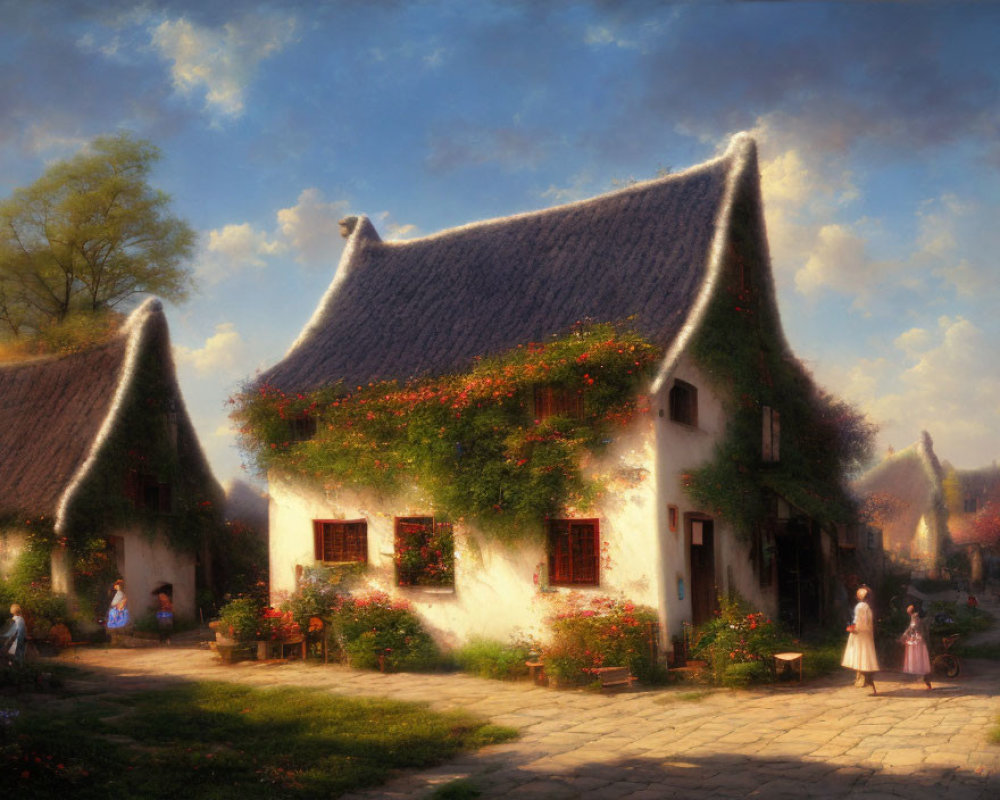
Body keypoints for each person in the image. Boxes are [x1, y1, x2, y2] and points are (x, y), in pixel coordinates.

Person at [842, 585, 879, 695]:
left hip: (860, 635)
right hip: (866, 635)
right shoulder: (867, 606)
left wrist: (853, 629)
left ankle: (866, 681)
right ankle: (863, 681)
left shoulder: (860, 606)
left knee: (861, 658)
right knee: (864, 658)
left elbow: (858, 621)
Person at [900, 604, 932, 689]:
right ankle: (922, 678)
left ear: (911, 611)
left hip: (918, 639)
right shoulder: (914, 616)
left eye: (909, 610)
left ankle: (923, 677)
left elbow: (913, 627)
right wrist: (905, 634)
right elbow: (911, 627)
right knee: (918, 657)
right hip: (918, 638)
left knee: (918, 657)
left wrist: (905, 635)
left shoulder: (915, 617)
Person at [106, 579, 130, 645]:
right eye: (116, 585)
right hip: (116, 611)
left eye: (118, 585)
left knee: (119, 626)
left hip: (119, 612)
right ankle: (115, 641)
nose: (116, 586)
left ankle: (118, 641)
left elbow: (118, 603)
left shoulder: (121, 594)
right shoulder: (117, 594)